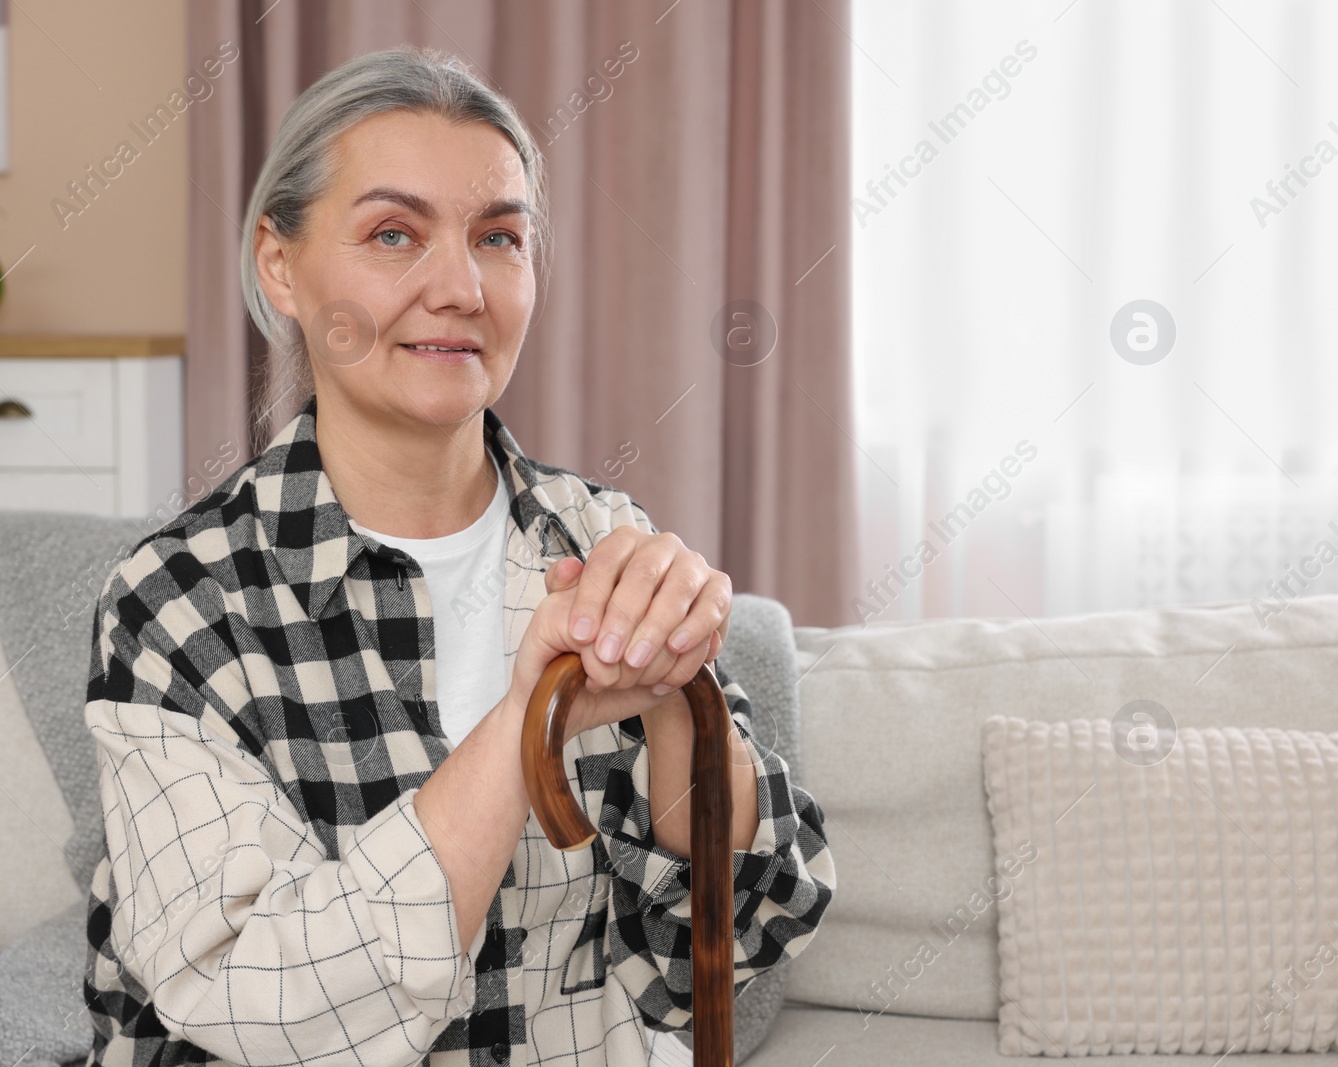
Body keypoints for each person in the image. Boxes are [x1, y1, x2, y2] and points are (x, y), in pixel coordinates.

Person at [81, 44, 834, 1067]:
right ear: (279, 264)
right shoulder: (180, 603)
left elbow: (732, 938)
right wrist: (530, 714)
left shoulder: (602, 537)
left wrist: (675, 697)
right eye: (394, 234)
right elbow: (267, 1010)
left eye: (499, 238)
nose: (460, 285)